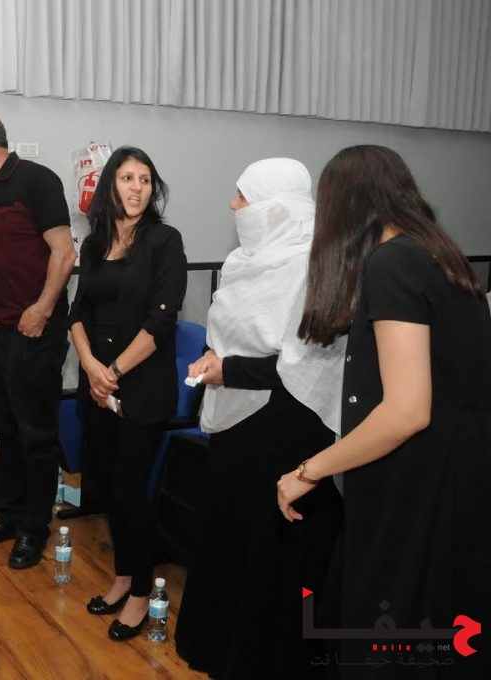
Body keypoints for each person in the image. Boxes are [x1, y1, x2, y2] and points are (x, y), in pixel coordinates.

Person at [278, 145, 491, 676]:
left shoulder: (392, 262)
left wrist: (308, 471)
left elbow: (406, 410)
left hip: (415, 484)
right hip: (455, 476)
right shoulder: (438, 253)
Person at [175, 158, 345, 675]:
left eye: (243, 197)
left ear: (275, 208)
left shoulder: (316, 267)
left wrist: (229, 369)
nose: (233, 205)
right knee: (228, 535)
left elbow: (305, 361)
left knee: (269, 549)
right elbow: (232, 336)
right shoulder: (243, 261)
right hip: (237, 419)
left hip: (285, 430)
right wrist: (215, 358)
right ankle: (217, 645)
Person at [68, 147, 187, 640]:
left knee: (130, 491)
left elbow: (161, 322)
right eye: (127, 178)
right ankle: (122, 575)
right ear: (109, 186)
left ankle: (141, 592)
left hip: (140, 388)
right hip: (98, 385)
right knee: (106, 487)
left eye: (145, 179)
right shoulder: (95, 243)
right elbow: (77, 313)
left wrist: (111, 371)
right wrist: (91, 367)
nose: (137, 188)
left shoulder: (165, 241)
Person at [0, 110, 76, 569]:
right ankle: (8, 515)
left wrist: (41, 309)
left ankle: (34, 528)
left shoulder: (37, 181)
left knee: (36, 434)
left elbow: (64, 252)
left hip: (35, 332)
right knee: (5, 427)